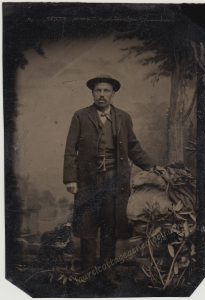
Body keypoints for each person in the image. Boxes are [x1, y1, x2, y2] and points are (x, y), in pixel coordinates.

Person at [63, 75, 153, 281]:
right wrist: (70, 179)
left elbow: (134, 148)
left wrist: (153, 168)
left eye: (106, 91)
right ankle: (86, 271)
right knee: (87, 226)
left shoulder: (123, 117)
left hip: (115, 182)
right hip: (87, 182)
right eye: (98, 91)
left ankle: (107, 271)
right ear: (92, 93)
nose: (101, 95)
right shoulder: (80, 116)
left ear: (113, 94)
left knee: (110, 227)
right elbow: (70, 150)